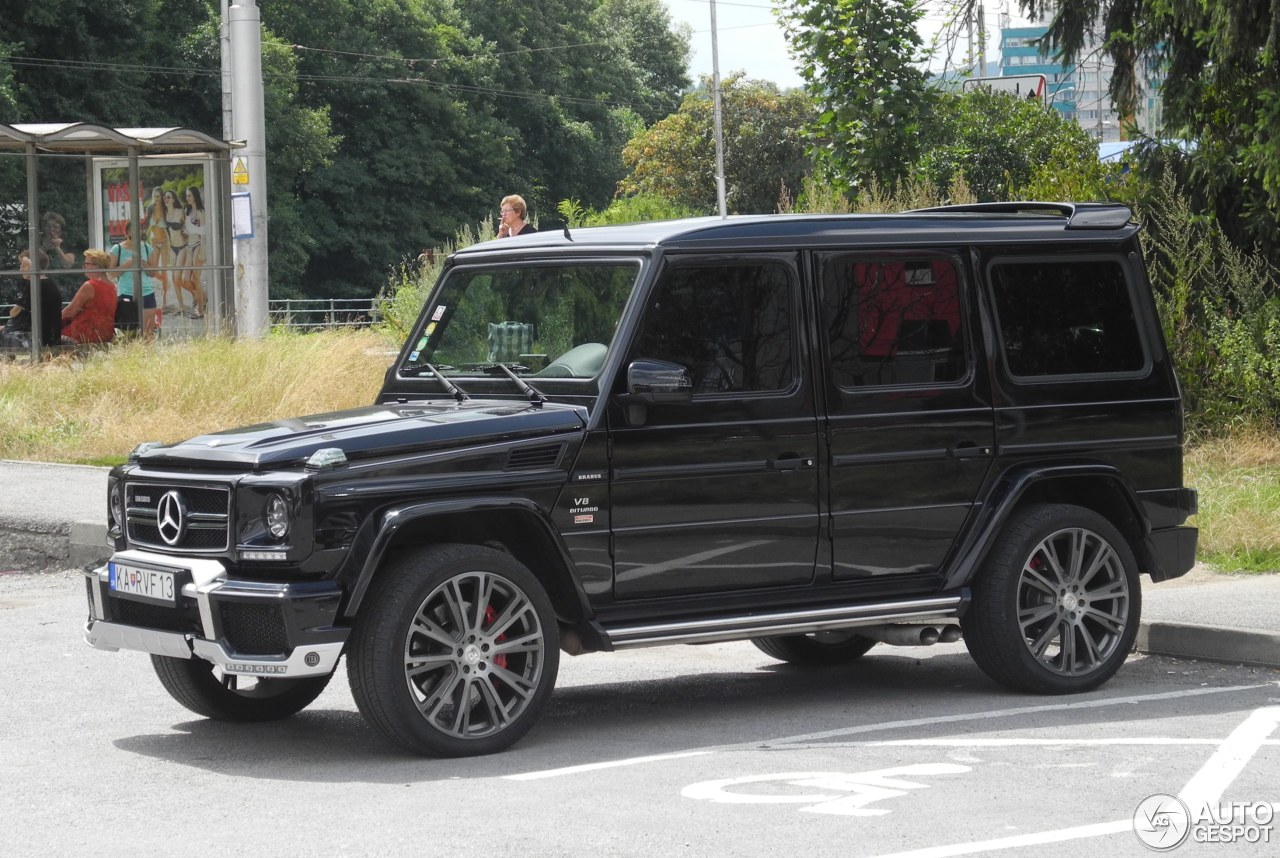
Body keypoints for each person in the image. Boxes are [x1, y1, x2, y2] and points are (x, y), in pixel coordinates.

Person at [0, 249, 63, 348]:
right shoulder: (50, 284)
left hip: (38, 338)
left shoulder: (35, 285)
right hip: (51, 337)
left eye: (24, 265)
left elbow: (13, 312)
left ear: (34, 266)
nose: (21, 269)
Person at [111, 222, 161, 339]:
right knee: (128, 331)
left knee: (148, 331)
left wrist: (144, 265)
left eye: (139, 230)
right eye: (133, 230)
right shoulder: (117, 248)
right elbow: (111, 273)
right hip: (126, 292)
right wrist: (127, 264)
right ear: (127, 232)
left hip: (146, 291)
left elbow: (153, 273)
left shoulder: (147, 248)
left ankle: (148, 354)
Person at [60, 248, 118, 345]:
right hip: (105, 333)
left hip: (84, 333)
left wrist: (52, 321)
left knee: (50, 340)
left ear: (97, 266)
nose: (83, 267)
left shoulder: (90, 285)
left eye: (86, 264)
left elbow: (70, 311)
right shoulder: (111, 286)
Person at [142, 187, 180, 314]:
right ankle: (166, 283)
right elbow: (146, 224)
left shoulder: (165, 209)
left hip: (164, 242)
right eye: (155, 196)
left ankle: (164, 300)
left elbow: (172, 224)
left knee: (164, 270)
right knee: (153, 270)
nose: (157, 198)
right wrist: (141, 235)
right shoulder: (150, 208)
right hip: (154, 241)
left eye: (159, 196)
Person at [178, 185, 207, 318]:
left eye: (189, 195)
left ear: (195, 196)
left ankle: (200, 310)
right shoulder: (187, 211)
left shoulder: (201, 212)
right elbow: (188, 228)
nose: (187, 198)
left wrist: (203, 251)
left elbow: (203, 232)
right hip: (189, 245)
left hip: (198, 246)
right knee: (185, 279)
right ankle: (202, 296)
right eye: (186, 195)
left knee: (196, 278)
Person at [40, 211, 79, 299]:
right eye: (49, 227)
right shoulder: (39, 244)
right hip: (42, 287)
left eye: (55, 227)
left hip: (63, 288)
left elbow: (68, 264)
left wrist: (57, 248)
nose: (52, 230)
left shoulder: (66, 245)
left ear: (61, 230)